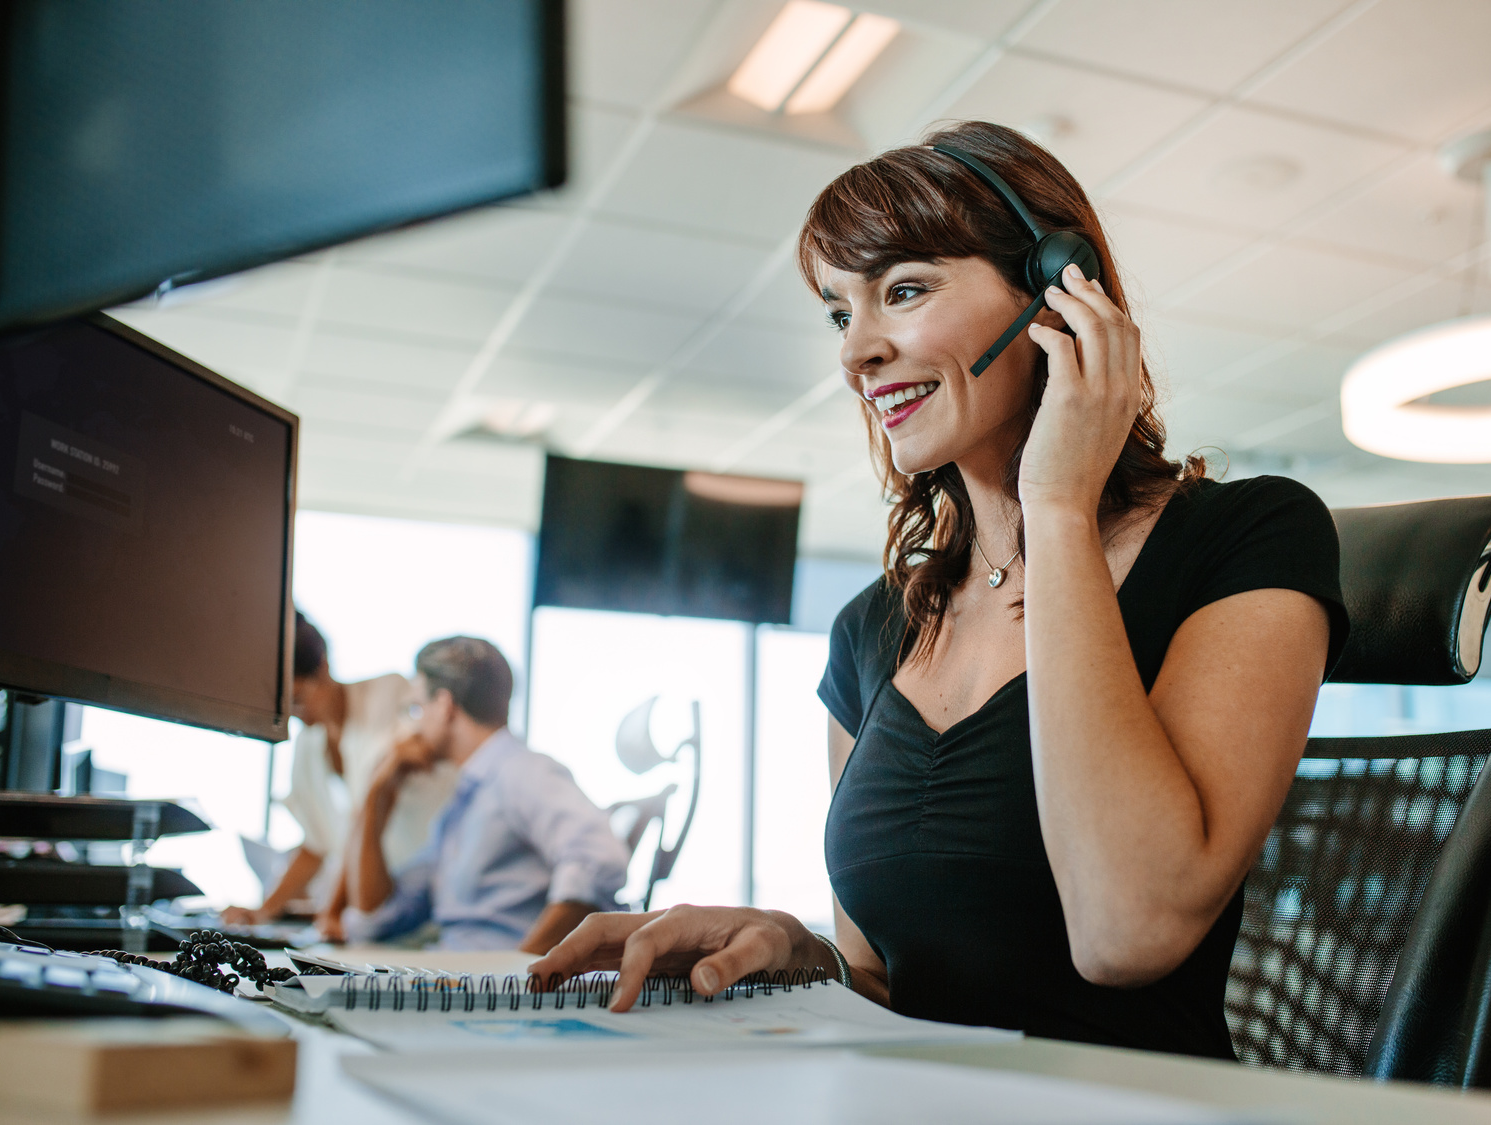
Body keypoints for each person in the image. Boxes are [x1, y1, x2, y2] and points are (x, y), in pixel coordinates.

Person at [529, 121, 1348, 1059]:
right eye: (842, 313)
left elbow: (1129, 930)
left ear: (1059, 293)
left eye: (904, 291)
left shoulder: (1248, 535)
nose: (856, 354)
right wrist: (797, 951)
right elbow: (881, 975)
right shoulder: (871, 629)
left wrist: (1057, 506)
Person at [342, 636, 629, 952]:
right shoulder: (464, 803)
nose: (413, 726)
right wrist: (376, 798)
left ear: (444, 705)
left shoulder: (522, 771)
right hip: (458, 975)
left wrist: (521, 974)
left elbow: (598, 860)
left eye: (415, 708)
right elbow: (377, 918)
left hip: (490, 988)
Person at [222, 612, 456, 935]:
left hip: (424, 897)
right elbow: (316, 844)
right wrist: (262, 912)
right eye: (285, 706)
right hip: (372, 916)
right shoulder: (308, 744)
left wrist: (332, 910)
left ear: (323, 667)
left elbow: (372, 810)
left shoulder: (390, 695)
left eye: (299, 699)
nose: (296, 715)